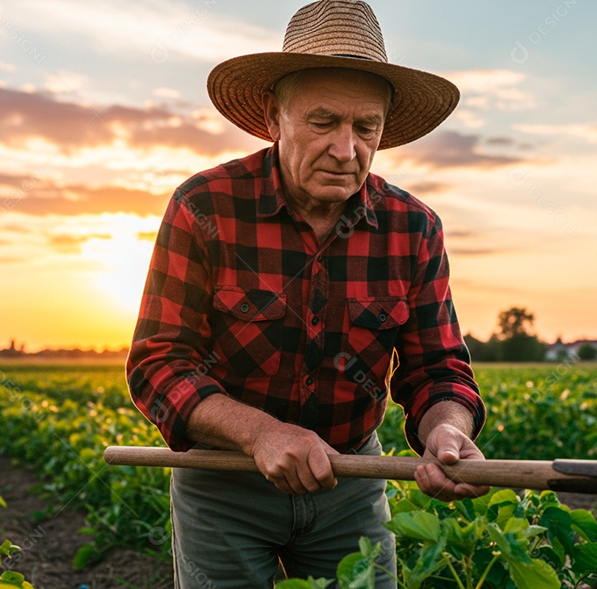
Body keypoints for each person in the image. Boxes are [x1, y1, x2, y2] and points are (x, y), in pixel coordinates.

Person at [127, 1, 486, 586]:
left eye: (365, 127)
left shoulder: (414, 227)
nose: (347, 150)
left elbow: (437, 368)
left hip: (352, 480)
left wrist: (447, 429)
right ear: (273, 118)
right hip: (224, 480)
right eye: (323, 122)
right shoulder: (205, 207)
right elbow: (158, 364)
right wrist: (260, 433)